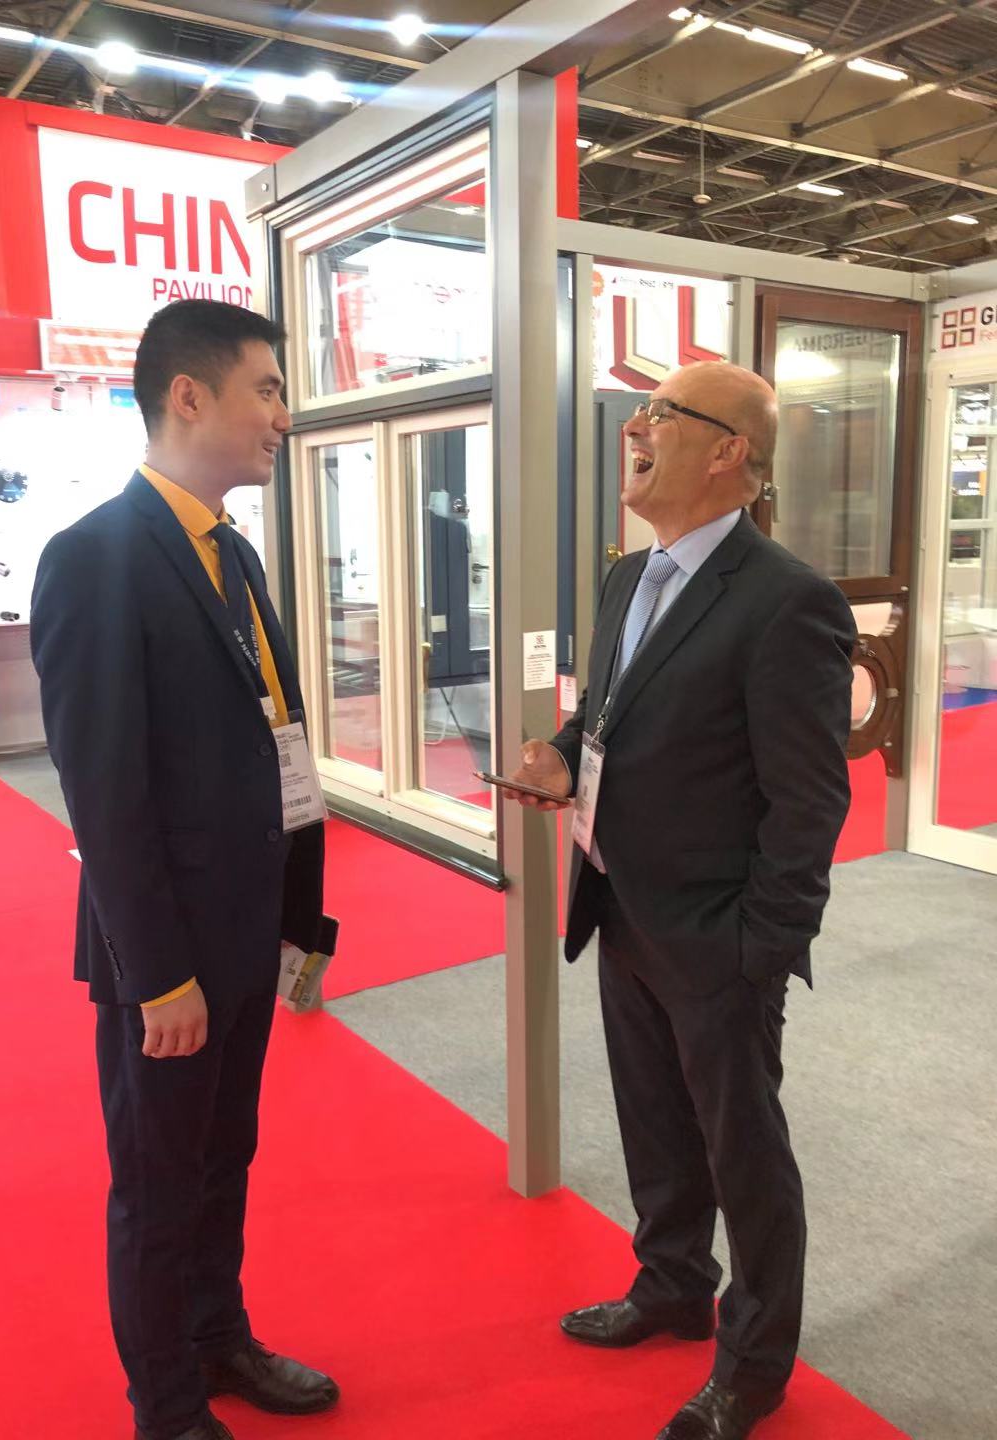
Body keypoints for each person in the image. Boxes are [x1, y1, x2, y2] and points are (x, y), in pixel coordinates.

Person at [505, 362, 855, 1440]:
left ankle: (753, 1363)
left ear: (729, 453)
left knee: (744, 1154)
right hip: (620, 905)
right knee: (655, 1123)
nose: (635, 429)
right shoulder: (628, 579)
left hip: (718, 940)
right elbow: (609, 718)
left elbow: (810, 801)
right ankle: (670, 1287)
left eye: (662, 414)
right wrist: (561, 754)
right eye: (642, 411)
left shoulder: (788, 600)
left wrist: (760, 948)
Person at [31, 300, 337, 1440]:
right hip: (166, 956)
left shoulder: (232, 552)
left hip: (246, 931)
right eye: (268, 390)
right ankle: (164, 1406)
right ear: (189, 397)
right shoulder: (95, 558)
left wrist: (297, 915)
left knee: (222, 1161)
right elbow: (105, 796)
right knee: (159, 1185)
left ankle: (220, 1339)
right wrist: (157, 974)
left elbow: (271, 738)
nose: (284, 416)